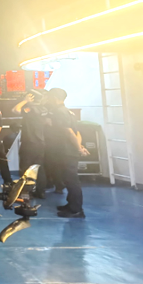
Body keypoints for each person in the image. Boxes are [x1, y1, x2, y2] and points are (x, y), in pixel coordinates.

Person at [45, 88, 90, 218]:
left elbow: (69, 132)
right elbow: (77, 132)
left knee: (72, 180)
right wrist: (79, 146)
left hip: (66, 151)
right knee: (68, 179)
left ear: (54, 98)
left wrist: (78, 148)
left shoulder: (59, 112)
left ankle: (76, 210)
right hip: (68, 150)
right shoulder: (69, 112)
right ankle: (71, 204)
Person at [12, 90, 49, 197]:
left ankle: (25, 192)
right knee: (39, 167)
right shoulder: (44, 109)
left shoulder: (30, 108)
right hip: (41, 142)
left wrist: (25, 101)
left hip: (29, 142)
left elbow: (15, 110)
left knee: (25, 168)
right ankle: (40, 191)